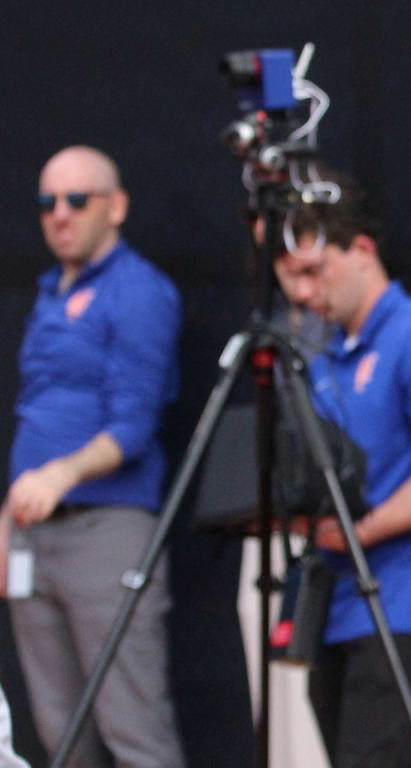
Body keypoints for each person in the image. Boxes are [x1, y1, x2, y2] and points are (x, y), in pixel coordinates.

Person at [269, 179, 411, 768]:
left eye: (316, 272)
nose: (308, 293)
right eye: (294, 278)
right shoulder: (325, 356)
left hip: (404, 600)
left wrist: (362, 531)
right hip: (333, 602)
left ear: (362, 251)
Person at [2, 145, 184, 768]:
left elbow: (132, 425)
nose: (60, 214)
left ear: (116, 206)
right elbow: (40, 414)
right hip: (35, 533)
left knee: (132, 725)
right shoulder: (51, 291)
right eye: (47, 202)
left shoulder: (139, 291)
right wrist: (9, 517)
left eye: (77, 200)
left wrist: (61, 473)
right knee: (60, 734)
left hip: (106, 530)